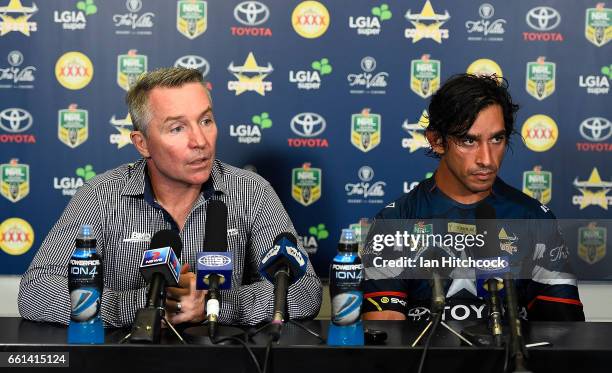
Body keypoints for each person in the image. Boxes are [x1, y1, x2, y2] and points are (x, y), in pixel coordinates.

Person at [18, 67, 322, 327]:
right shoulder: (101, 195)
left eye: (205, 121)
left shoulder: (251, 192)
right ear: (142, 143)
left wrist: (214, 305)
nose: (200, 141)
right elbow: (36, 290)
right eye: (177, 128)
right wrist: (148, 305)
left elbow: (305, 290)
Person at [362, 74, 584, 322]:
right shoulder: (397, 221)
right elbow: (386, 339)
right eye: (469, 140)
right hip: (424, 361)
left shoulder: (532, 218)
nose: (487, 159)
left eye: (497, 139)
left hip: (510, 361)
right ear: (436, 141)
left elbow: (563, 331)